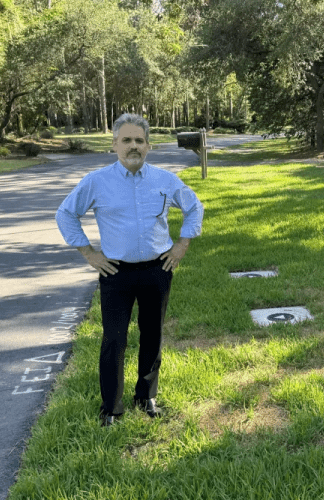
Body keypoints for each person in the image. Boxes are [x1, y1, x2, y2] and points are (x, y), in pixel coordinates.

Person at [55, 114, 204, 427]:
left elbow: (194, 207)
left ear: (148, 146)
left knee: (152, 334)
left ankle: (146, 396)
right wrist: (88, 253)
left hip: (157, 269)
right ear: (114, 145)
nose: (133, 146)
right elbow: (66, 214)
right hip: (115, 273)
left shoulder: (164, 180)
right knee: (114, 339)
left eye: (139, 140)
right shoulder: (96, 182)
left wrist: (182, 246)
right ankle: (111, 408)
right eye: (127, 140)